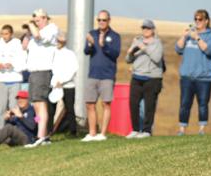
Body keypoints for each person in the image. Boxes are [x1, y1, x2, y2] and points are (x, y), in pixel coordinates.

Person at [175, 9, 211, 135]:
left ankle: (202, 129)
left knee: (203, 104)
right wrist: (184, 35)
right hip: (187, 76)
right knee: (184, 103)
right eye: (196, 19)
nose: (197, 21)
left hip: (204, 78)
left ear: (206, 21)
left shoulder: (210, 36)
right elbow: (178, 48)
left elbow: (209, 50)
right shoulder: (189, 36)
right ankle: (182, 129)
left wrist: (197, 38)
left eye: (200, 19)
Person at [22, 8, 59, 146]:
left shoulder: (51, 29)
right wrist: (27, 31)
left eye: (37, 20)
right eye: (34, 20)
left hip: (43, 71)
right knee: (36, 105)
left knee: (40, 104)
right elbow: (24, 46)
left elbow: (39, 37)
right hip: (33, 72)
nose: (36, 23)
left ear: (45, 18)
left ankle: (42, 136)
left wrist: (31, 26)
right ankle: (40, 134)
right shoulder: (34, 32)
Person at [82, 10, 121, 142]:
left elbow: (115, 54)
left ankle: (102, 134)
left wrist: (103, 45)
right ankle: (92, 132)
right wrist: (91, 44)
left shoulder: (115, 36)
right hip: (93, 74)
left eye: (104, 20)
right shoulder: (92, 34)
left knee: (106, 104)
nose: (101, 22)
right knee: (90, 104)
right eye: (99, 20)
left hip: (107, 75)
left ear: (109, 20)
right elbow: (86, 51)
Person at [124, 19, 165, 138]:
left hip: (152, 78)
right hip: (137, 76)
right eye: (143, 28)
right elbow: (128, 60)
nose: (145, 30)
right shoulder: (137, 41)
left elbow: (157, 58)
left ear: (153, 30)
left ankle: (147, 130)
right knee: (133, 103)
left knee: (149, 105)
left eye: (148, 28)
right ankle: (135, 129)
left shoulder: (157, 43)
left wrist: (144, 48)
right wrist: (131, 52)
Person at [0, 24, 26, 128]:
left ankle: (15, 129)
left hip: (15, 79)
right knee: (1, 107)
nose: (4, 36)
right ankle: (0, 130)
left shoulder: (18, 44)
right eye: (2, 34)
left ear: (11, 34)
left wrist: (13, 65)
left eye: (6, 34)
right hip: (2, 80)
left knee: (14, 106)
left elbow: (23, 59)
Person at [50, 34, 78, 136]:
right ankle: (49, 130)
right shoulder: (53, 53)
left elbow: (73, 69)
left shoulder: (70, 54)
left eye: (60, 41)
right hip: (54, 85)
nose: (58, 43)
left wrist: (62, 81)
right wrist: (55, 82)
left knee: (69, 108)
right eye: (57, 41)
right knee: (51, 108)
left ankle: (73, 131)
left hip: (68, 85)